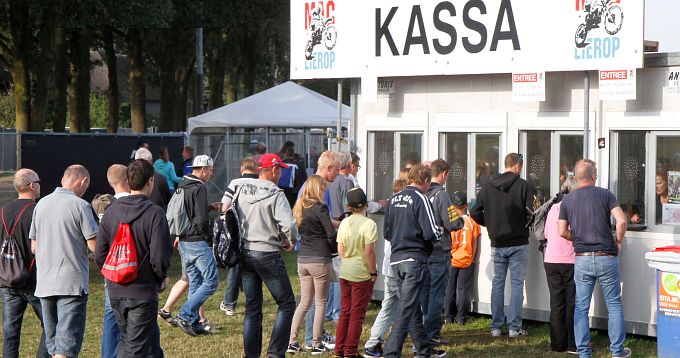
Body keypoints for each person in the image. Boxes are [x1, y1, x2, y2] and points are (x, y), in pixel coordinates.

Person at [95, 159, 173, 357]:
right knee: (135, 348)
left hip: (115, 290)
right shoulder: (155, 213)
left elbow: (100, 254)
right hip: (142, 290)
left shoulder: (111, 211)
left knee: (128, 340)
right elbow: (159, 256)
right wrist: (160, 278)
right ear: (150, 181)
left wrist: (112, 276)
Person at [558, 161, 631, 358]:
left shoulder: (567, 200)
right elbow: (622, 221)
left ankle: (583, 352)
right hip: (606, 256)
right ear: (594, 176)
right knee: (613, 304)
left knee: (581, 307)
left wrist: (579, 236)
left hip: (582, 259)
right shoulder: (605, 194)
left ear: (575, 178)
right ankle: (617, 351)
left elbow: (562, 231)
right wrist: (618, 241)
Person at [30, 165, 99, 358]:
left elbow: (33, 247)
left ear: (63, 179)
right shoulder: (81, 206)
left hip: (44, 284)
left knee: (53, 344)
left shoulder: (41, 204)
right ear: (84, 181)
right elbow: (95, 245)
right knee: (66, 345)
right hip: (71, 284)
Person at [236, 153, 297, 358]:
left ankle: (251, 354)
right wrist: (290, 241)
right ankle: (275, 352)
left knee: (252, 308)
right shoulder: (276, 193)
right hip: (267, 253)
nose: (280, 174)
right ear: (272, 170)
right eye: (279, 170)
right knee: (287, 302)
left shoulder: (242, 189)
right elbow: (288, 224)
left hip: (245, 251)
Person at [383, 165, 445, 358]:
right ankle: (391, 352)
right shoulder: (421, 198)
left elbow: (387, 232)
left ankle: (423, 350)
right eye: (428, 184)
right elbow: (430, 232)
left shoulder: (393, 200)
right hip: (414, 260)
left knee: (412, 308)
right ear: (425, 181)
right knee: (405, 309)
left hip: (396, 260)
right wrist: (440, 232)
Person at [470, 153, 534, 338]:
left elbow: (474, 211)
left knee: (497, 284)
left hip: (497, 242)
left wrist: (489, 222)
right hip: (519, 242)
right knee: (516, 284)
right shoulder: (524, 186)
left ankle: (496, 327)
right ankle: (514, 328)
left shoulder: (488, 186)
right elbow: (532, 213)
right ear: (518, 166)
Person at [0, 169, 49, 358]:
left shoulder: (3, 212)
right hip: (35, 280)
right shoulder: (37, 211)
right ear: (32, 185)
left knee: (10, 334)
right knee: (51, 326)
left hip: (8, 281)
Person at [287, 175, 337, 355]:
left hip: (303, 259)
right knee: (321, 302)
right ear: (318, 189)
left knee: (304, 302)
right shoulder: (320, 208)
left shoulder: (299, 207)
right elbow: (331, 233)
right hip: (319, 258)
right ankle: (316, 342)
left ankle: (292, 341)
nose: (324, 191)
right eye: (323, 188)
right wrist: (336, 249)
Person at [173, 155, 219, 336]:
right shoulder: (199, 187)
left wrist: (208, 207)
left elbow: (189, 212)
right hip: (197, 242)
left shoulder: (183, 184)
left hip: (184, 240)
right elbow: (200, 219)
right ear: (203, 169)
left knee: (195, 282)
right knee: (211, 282)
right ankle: (185, 315)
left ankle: (193, 322)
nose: (211, 175)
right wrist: (209, 237)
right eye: (211, 171)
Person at [422, 159, 464, 344]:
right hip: (439, 251)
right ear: (444, 174)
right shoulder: (442, 195)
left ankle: (421, 331)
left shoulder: (422, 193)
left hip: (423, 251)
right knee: (437, 294)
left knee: (424, 293)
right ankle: (432, 334)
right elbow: (453, 222)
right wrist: (460, 220)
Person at [363, 179, 406, 358]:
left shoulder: (391, 210)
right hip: (397, 267)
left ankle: (375, 342)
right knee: (402, 307)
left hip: (390, 266)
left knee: (389, 306)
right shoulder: (401, 212)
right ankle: (376, 342)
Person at [334, 188, 378, 358]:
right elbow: (369, 252)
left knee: (346, 311)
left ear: (348, 206)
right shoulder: (369, 224)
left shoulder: (344, 222)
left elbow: (341, 249)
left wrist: (348, 259)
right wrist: (373, 272)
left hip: (345, 271)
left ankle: (339, 349)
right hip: (361, 273)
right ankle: (350, 351)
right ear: (366, 204)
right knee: (357, 314)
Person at [218, 158, 259, 316]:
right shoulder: (260, 183)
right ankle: (254, 302)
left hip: (238, 231)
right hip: (256, 230)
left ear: (242, 169)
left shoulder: (235, 182)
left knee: (235, 267)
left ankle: (230, 303)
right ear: (255, 169)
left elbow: (225, 207)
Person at [543, 177, 578, 354]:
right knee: (572, 303)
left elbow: (547, 233)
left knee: (556, 303)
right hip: (569, 260)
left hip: (550, 260)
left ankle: (557, 344)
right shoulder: (573, 208)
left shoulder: (553, 208)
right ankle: (573, 344)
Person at [100, 164, 131, 358]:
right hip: (132, 269)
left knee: (111, 316)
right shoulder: (135, 204)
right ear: (128, 180)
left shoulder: (105, 207)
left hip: (110, 272)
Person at [444, 191, 481, 326]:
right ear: (466, 205)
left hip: (452, 259)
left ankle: (448, 316)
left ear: (453, 206)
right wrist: (474, 257)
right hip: (466, 260)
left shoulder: (450, 221)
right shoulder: (471, 222)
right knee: (463, 289)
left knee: (449, 288)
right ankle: (461, 317)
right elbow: (475, 241)